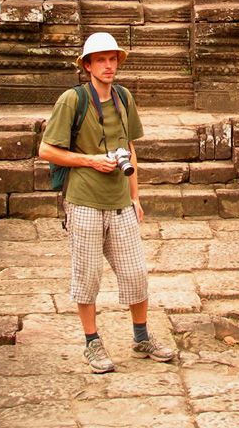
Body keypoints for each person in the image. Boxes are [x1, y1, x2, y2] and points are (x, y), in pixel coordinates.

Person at [39, 32, 175, 373]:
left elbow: (130, 148)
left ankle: (141, 337)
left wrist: (135, 196)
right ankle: (92, 342)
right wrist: (91, 160)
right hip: (83, 200)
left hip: (119, 202)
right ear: (87, 65)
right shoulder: (72, 100)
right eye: (100, 59)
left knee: (136, 275)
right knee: (87, 277)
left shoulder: (123, 97)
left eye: (112, 59)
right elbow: (46, 150)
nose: (108, 65)